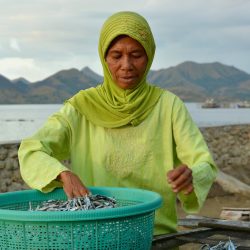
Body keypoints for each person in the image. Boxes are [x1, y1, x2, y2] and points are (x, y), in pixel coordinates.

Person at [18, 11, 217, 235]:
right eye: (116, 56)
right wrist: (62, 173)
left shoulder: (169, 106)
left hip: (155, 235)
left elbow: (204, 162)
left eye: (136, 54)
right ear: (104, 58)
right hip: (95, 235)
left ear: (149, 56)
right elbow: (31, 149)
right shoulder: (81, 107)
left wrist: (191, 175)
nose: (126, 65)